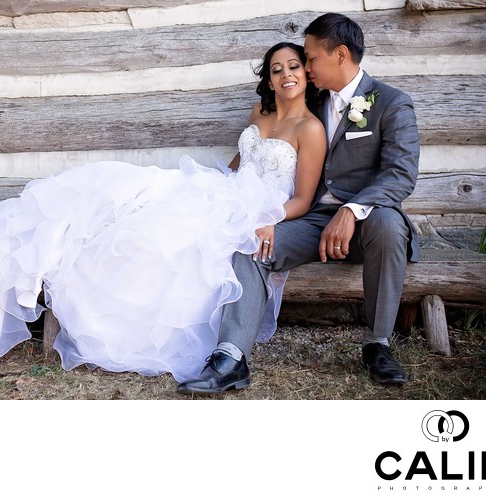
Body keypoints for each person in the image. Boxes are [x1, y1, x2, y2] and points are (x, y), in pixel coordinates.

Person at [0, 42, 325, 383]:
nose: (285, 74)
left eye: (293, 67)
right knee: (125, 195)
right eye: (276, 68)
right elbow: (236, 166)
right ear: (268, 77)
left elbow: (302, 198)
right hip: (224, 191)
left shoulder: (310, 128)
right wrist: (207, 185)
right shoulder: (259, 114)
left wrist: (267, 219)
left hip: (260, 209)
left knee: (166, 243)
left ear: (306, 73)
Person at [177, 13, 420, 394]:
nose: (304, 67)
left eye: (309, 58)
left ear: (340, 54)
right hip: (308, 221)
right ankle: (230, 359)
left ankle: (378, 345)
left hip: (367, 223)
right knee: (253, 242)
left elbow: (400, 174)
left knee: (389, 225)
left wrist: (350, 210)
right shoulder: (313, 97)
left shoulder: (391, 103)